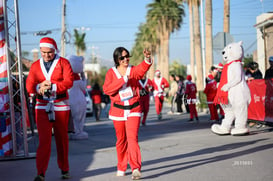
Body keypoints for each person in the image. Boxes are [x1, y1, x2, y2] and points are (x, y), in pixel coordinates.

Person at [26, 37, 73, 181]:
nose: (47, 55)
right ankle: (40, 173)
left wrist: (52, 86)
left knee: (62, 139)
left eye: (50, 52)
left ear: (55, 50)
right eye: (44, 52)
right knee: (44, 141)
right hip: (42, 106)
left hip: (60, 105)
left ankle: (64, 169)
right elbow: (29, 85)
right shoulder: (35, 66)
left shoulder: (64, 63)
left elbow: (69, 81)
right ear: (40, 50)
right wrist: (38, 87)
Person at [103, 47, 152, 180]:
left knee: (132, 138)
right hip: (118, 111)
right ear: (117, 60)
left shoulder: (133, 70)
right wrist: (123, 79)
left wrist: (147, 59)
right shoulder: (111, 73)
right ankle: (121, 166)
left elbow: (142, 69)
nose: (125, 59)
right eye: (122, 58)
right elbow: (107, 90)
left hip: (133, 109)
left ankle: (135, 168)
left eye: (127, 56)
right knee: (121, 140)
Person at [67, 55, 88, 140]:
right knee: (79, 116)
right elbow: (84, 86)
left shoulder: (67, 78)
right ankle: (78, 131)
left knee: (74, 116)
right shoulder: (78, 79)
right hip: (79, 99)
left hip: (71, 99)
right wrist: (84, 77)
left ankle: (75, 130)